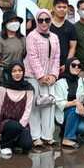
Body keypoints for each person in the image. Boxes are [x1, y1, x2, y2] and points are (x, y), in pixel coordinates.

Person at [24, 9, 60, 147]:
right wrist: (40, 76)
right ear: (36, 21)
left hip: (49, 77)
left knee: (49, 105)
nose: (44, 23)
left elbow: (56, 58)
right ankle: (35, 137)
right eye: (40, 20)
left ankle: (47, 136)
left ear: (50, 21)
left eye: (47, 20)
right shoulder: (31, 36)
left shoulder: (54, 37)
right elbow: (32, 57)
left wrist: (53, 75)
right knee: (35, 106)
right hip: (33, 76)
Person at [0, 62, 34, 157]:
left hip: (21, 124)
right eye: (14, 71)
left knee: (27, 145)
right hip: (5, 123)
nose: (17, 73)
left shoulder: (29, 88)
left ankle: (13, 142)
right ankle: (4, 145)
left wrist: (21, 126)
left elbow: (28, 110)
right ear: (9, 73)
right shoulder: (3, 88)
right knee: (12, 126)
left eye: (20, 71)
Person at [54, 58, 84, 149]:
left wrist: (83, 106)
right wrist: (75, 103)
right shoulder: (60, 83)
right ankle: (67, 138)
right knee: (73, 110)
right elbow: (59, 103)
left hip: (80, 112)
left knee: (82, 128)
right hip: (64, 113)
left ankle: (68, 131)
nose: (77, 67)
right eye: (73, 65)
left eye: (79, 66)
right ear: (67, 66)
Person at [0, 11, 26, 91]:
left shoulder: (22, 38)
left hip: (18, 76)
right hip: (4, 77)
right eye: (11, 21)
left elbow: (24, 56)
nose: (14, 23)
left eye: (16, 21)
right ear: (5, 24)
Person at [49, 0, 77, 74]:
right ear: (54, 8)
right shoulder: (47, 25)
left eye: (64, 7)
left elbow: (72, 47)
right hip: (48, 64)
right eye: (59, 7)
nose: (62, 9)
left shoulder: (71, 27)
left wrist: (67, 64)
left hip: (64, 66)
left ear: (67, 9)